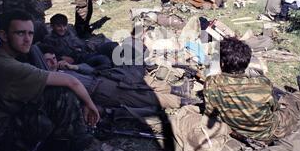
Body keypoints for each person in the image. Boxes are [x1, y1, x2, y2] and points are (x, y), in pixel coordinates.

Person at [0, 10, 100, 151]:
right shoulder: (6, 66)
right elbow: (71, 81)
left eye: (30, 34)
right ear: (4, 35)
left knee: (48, 94)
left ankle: (71, 138)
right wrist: (90, 104)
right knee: (61, 94)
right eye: (20, 33)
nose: (27, 40)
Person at [203, 37, 300, 144]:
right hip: (269, 133)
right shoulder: (262, 84)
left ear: (221, 63)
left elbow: (210, 110)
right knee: (293, 103)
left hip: (236, 129)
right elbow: (275, 108)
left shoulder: (210, 83)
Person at [39, 45, 199, 110]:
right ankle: (183, 102)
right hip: (100, 91)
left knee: (140, 81)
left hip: (104, 78)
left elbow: (90, 69)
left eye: (54, 58)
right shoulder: (51, 80)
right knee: (142, 97)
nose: (53, 61)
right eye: (48, 60)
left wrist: (73, 67)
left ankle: (178, 90)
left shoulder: (63, 71)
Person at [42, 14, 112, 68]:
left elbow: (80, 42)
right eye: (59, 26)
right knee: (103, 59)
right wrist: (60, 58)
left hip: (88, 52)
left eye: (64, 26)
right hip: (80, 61)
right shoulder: (49, 39)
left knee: (112, 46)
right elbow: (48, 55)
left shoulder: (69, 32)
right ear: (52, 26)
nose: (62, 29)